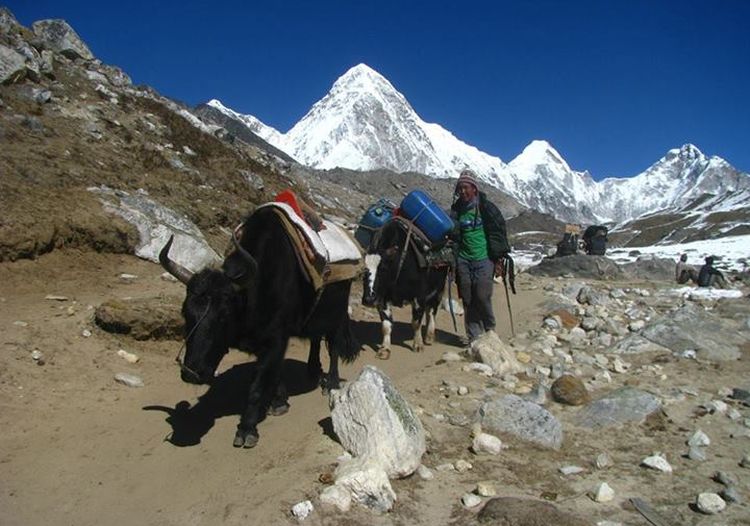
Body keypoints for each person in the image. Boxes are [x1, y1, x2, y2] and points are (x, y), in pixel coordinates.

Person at [450, 169, 511, 345]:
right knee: (468, 299)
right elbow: (453, 235)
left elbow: (497, 232)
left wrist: (498, 259)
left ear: (474, 189)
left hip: (484, 258)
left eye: (466, 187)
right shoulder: (456, 211)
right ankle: (474, 338)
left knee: (482, 296)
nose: (463, 191)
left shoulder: (486, 208)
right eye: (460, 188)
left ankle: (489, 330)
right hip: (463, 259)